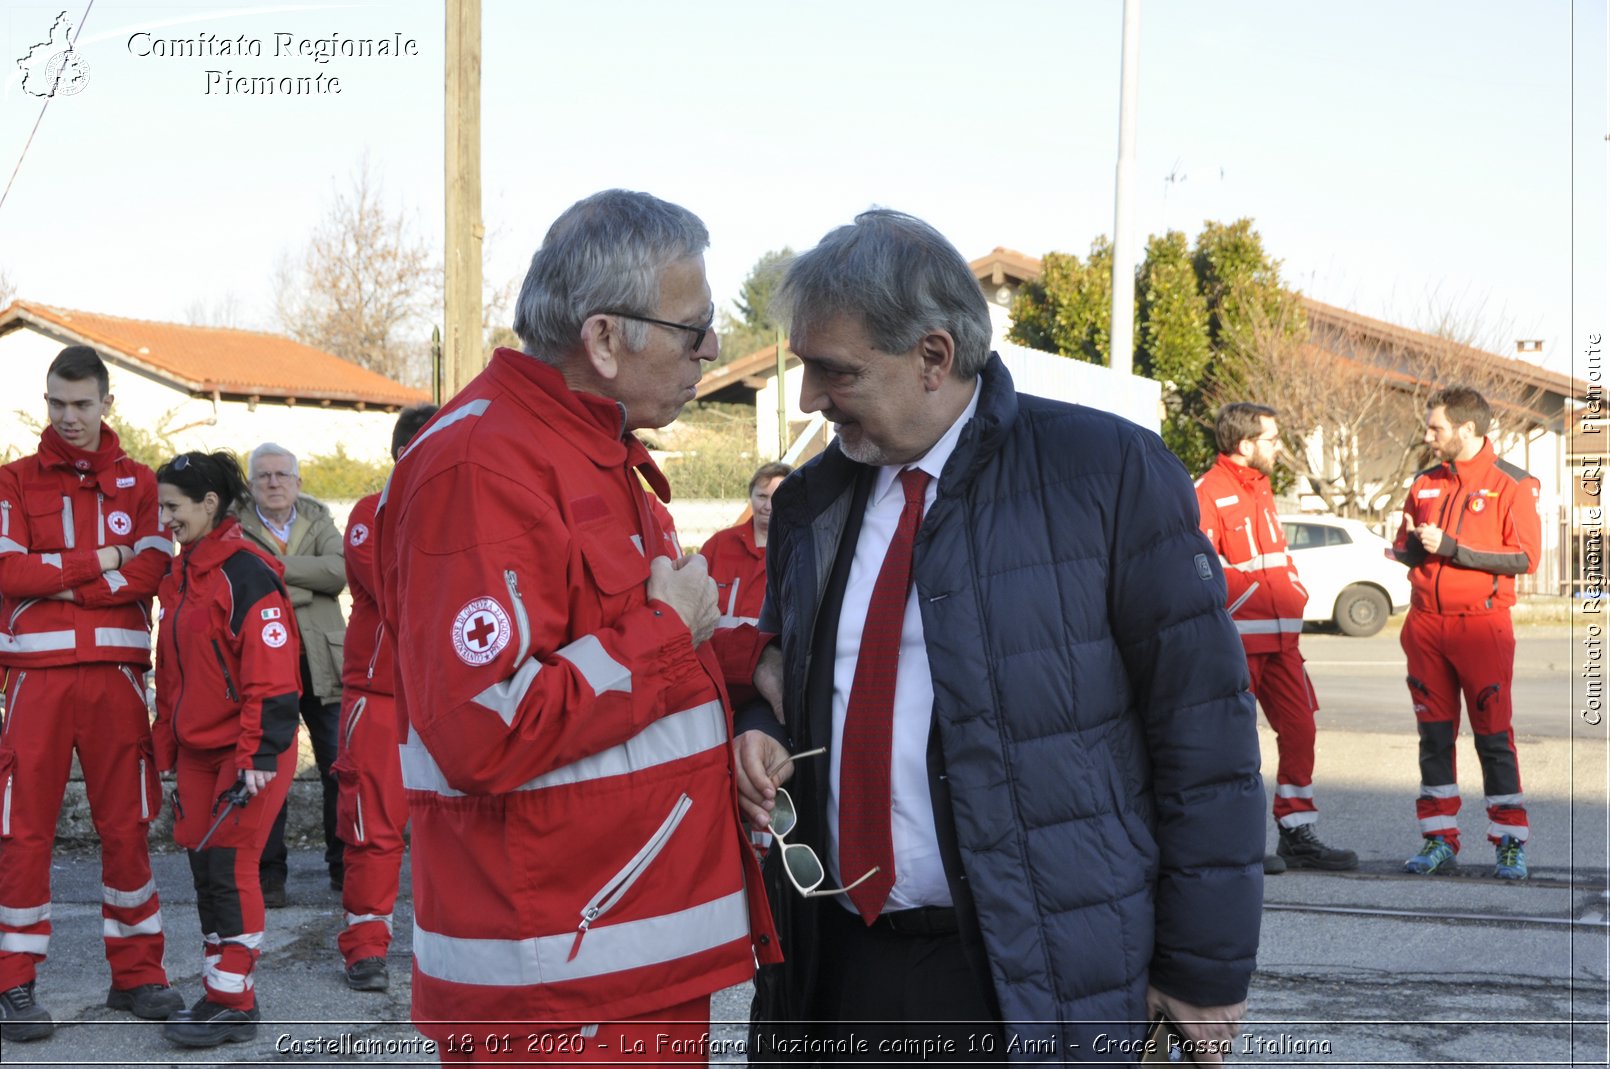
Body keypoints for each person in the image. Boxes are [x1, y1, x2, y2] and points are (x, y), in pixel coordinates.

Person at [732, 210, 1265, 1064]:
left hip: (1024, 975)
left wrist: (1204, 963)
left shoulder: (1107, 474)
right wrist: (760, 734)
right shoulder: (811, 505)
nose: (809, 399)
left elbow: (1203, 730)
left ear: (934, 358)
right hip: (835, 965)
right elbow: (788, 678)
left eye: (834, 371)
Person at [374, 189, 778, 1064]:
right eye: (692, 326)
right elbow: (482, 728)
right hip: (554, 980)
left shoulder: (592, 449)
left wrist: (744, 695)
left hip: (619, 952)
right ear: (603, 339)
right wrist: (673, 632)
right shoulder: (482, 464)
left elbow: (623, 661)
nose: (711, 349)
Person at [0, 346, 184, 1042]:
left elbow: (151, 569)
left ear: (108, 403)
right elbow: (9, 575)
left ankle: (138, 975)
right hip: (34, 685)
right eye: (56, 403)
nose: (68, 416)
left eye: (81, 403)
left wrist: (63, 578)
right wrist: (104, 561)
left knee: (127, 827)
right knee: (22, 832)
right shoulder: (11, 480)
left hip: (116, 683)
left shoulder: (142, 483)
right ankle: (12, 982)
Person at [151, 450, 301, 1047]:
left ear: (208, 505)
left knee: (230, 869)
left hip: (248, 753)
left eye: (172, 507)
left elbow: (273, 679)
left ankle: (232, 1003)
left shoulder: (247, 573)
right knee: (203, 867)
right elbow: (175, 671)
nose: (164, 518)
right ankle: (223, 990)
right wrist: (166, 750)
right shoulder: (184, 570)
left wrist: (258, 756)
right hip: (197, 752)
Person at [1194, 404, 1358, 876]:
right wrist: (1250, 597)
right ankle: (1238, 843)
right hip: (1238, 644)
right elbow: (1200, 568)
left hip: (1284, 642)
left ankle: (1297, 834)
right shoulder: (1207, 492)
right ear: (1245, 445)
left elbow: (1274, 558)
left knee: (1301, 730)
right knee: (1238, 747)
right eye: (1271, 439)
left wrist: (1293, 590)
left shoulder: (1261, 489)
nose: (1278, 448)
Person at [1391, 386, 1540, 880]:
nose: (1429, 437)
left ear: (1467, 430)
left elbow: (1524, 558)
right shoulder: (1424, 482)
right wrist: (1406, 545)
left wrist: (1453, 547)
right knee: (1433, 737)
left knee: (1493, 738)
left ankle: (1509, 842)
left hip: (1481, 627)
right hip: (1425, 627)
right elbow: (1412, 550)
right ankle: (1438, 840)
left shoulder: (1513, 484)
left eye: (1437, 428)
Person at [332, 402, 436, 993]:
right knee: (373, 825)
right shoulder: (372, 512)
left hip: (445, 699)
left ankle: (443, 942)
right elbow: (399, 589)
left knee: (453, 825)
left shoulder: (465, 507)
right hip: (380, 698)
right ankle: (365, 947)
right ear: (402, 453)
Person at [234, 443, 346, 903]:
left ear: (298, 482)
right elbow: (243, 582)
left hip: (323, 659)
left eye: (282, 474)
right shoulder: (234, 525)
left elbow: (339, 573)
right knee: (266, 768)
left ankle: (344, 867)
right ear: (251, 484)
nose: (274, 482)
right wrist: (305, 583)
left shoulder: (319, 519)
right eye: (263, 476)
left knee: (339, 765)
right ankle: (268, 875)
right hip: (265, 663)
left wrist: (276, 570)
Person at [699, 462, 792, 631]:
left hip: (769, 655)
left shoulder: (796, 553)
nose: (768, 506)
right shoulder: (718, 545)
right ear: (751, 497)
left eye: (777, 497)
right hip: (716, 654)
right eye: (762, 496)